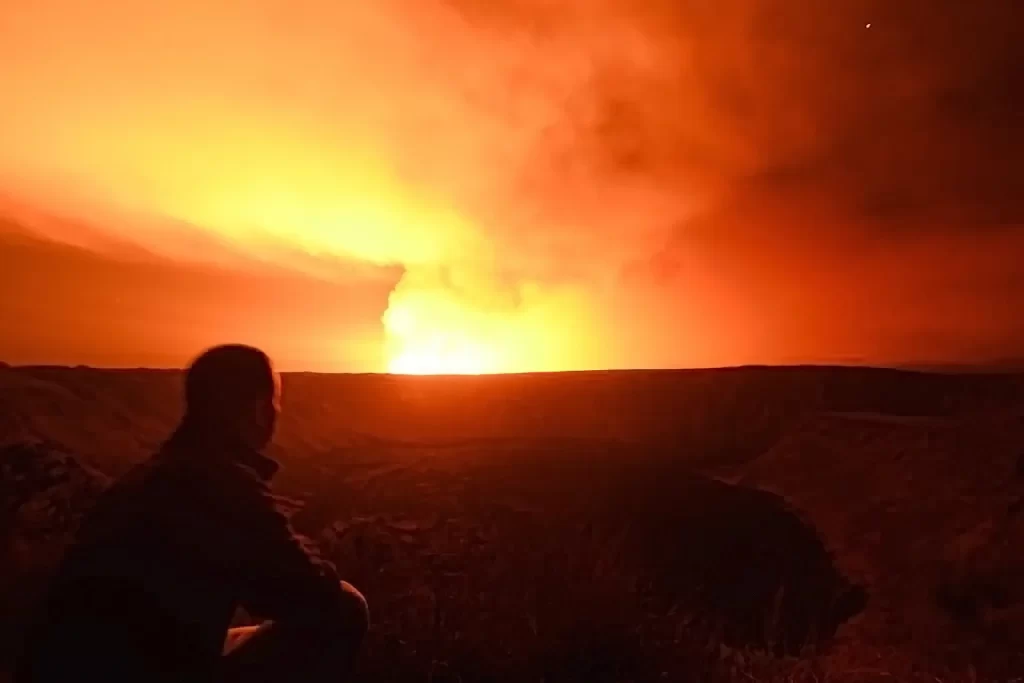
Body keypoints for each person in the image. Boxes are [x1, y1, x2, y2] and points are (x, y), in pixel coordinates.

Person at [16, 344, 368, 682]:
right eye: (275, 403)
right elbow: (305, 592)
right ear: (259, 410)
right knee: (345, 606)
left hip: (65, 668)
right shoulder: (222, 482)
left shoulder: (151, 474)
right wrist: (316, 559)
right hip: (147, 672)